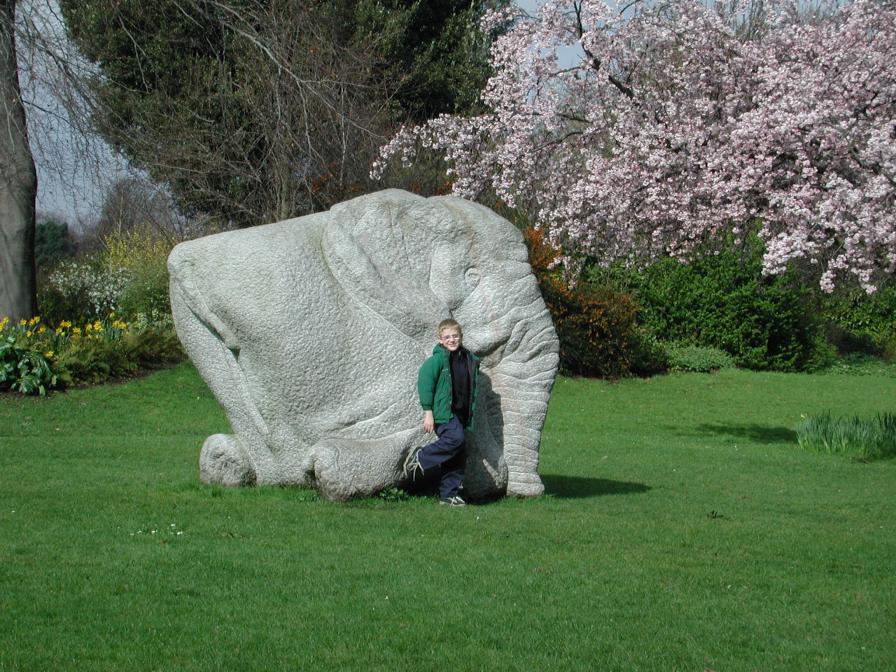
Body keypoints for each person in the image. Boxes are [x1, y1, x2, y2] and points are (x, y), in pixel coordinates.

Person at [404, 318, 480, 506]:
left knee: (458, 453)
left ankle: (448, 494)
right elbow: (425, 384)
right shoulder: (437, 360)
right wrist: (428, 412)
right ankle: (421, 457)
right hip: (443, 412)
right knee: (456, 439)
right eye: (447, 337)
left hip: (461, 414)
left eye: (455, 336)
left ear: (461, 337)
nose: (452, 340)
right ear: (440, 339)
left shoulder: (467, 358)